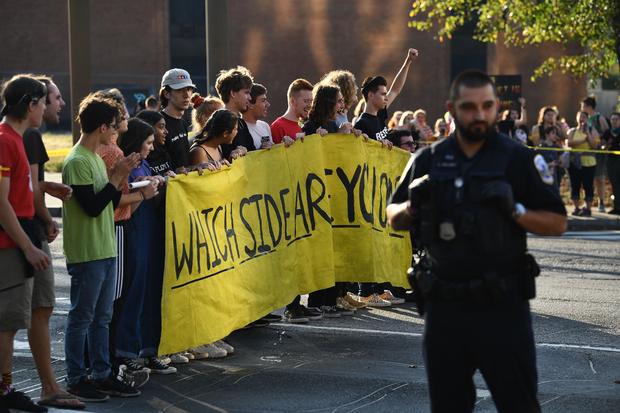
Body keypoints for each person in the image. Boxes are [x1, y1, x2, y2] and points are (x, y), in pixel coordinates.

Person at [387, 70, 567, 413]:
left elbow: (557, 222)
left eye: (487, 106)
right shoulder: (428, 159)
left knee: (519, 405)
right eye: (469, 107)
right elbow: (392, 217)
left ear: (497, 107)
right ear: (452, 109)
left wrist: (515, 211)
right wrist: (412, 205)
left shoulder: (517, 158)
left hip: (503, 307)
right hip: (445, 307)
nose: (479, 114)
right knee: (448, 406)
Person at [62, 92, 142, 401]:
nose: (115, 129)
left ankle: (101, 373)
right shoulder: (78, 161)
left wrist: (123, 182)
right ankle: (76, 377)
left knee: (102, 317)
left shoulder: (96, 158)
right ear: (100, 127)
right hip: (88, 251)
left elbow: (108, 202)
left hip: (106, 247)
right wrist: (119, 175)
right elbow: (93, 206)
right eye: (112, 124)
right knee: (82, 316)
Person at [21, 76, 85, 410]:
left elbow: (32, 183)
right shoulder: (31, 135)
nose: (60, 104)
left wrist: (48, 188)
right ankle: (48, 386)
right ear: (37, 103)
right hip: (28, 230)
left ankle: (50, 384)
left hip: (27, 228)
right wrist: (47, 220)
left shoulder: (28, 136)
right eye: (55, 98)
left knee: (37, 310)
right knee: (39, 310)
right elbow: (29, 189)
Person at [0, 74, 53, 413]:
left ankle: (5, 388)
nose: (46, 107)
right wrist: (28, 247)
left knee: (12, 322)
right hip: (9, 244)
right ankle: (3, 392)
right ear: (31, 104)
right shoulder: (5, 140)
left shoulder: (18, 139)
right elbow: (1, 202)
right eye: (43, 101)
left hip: (17, 239)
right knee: (6, 322)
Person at [114, 118, 175, 374]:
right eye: (148, 142)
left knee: (150, 291)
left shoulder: (144, 163)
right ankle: (126, 351)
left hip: (148, 233)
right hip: (133, 233)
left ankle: (148, 348)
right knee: (133, 292)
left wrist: (162, 181)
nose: (151, 147)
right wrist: (145, 192)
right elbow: (119, 203)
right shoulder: (125, 166)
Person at [353, 48, 419, 144]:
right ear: (371, 95)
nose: (386, 97)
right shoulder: (361, 124)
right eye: (383, 94)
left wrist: (408, 61)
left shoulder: (380, 112)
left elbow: (395, 90)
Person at [214, 66, 256, 157]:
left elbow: (252, 152)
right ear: (233, 93)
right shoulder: (218, 122)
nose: (250, 97)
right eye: (246, 92)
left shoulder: (241, 123)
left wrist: (265, 148)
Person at [159, 68, 196, 170]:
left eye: (189, 89)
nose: (186, 95)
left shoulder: (183, 123)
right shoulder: (158, 124)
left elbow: (183, 164)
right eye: (180, 90)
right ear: (166, 93)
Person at [567, 111, 600, 216]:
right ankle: (576, 208)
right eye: (580, 116)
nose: (582, 119)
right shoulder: (572, 131)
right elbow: (569, 143)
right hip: (575, 163)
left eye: (584, 117)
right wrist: (583, 140)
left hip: (589, 163)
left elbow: (595, 145)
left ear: (587, 119)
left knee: (588, 186)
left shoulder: (591, 130)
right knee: (575, 185)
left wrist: (588, 134)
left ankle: (588, 209)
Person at [581, 96, 610, 212]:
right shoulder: (584, 119)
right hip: (587, 152)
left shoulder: (599, 117)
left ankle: (601, 202)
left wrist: (599, 140)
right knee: (587, 178)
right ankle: (588, 202)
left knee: (599, 178)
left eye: (583, 106)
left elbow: (607, 132)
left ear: (588, 106)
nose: (582, 108)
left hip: (598, 152)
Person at [270, 78, 313, 145]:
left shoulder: (300, 127)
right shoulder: (278, 127)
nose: (310, 105)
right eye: (306, 101)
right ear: (292, 101)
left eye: (311, 101)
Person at [243, 83, 274, 150]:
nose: (268, 104)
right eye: (263, 101)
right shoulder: (239, 129)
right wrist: (260, 151)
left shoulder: (265, 126)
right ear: (250, 104)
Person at [602, 112, 620, 215]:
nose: (614, 121)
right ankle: (617, 207)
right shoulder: (608, 133)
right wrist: (605, 146)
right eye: (612, 119)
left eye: (616, 119)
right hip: (611, 161)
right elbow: (602, 145)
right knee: (615, 184)